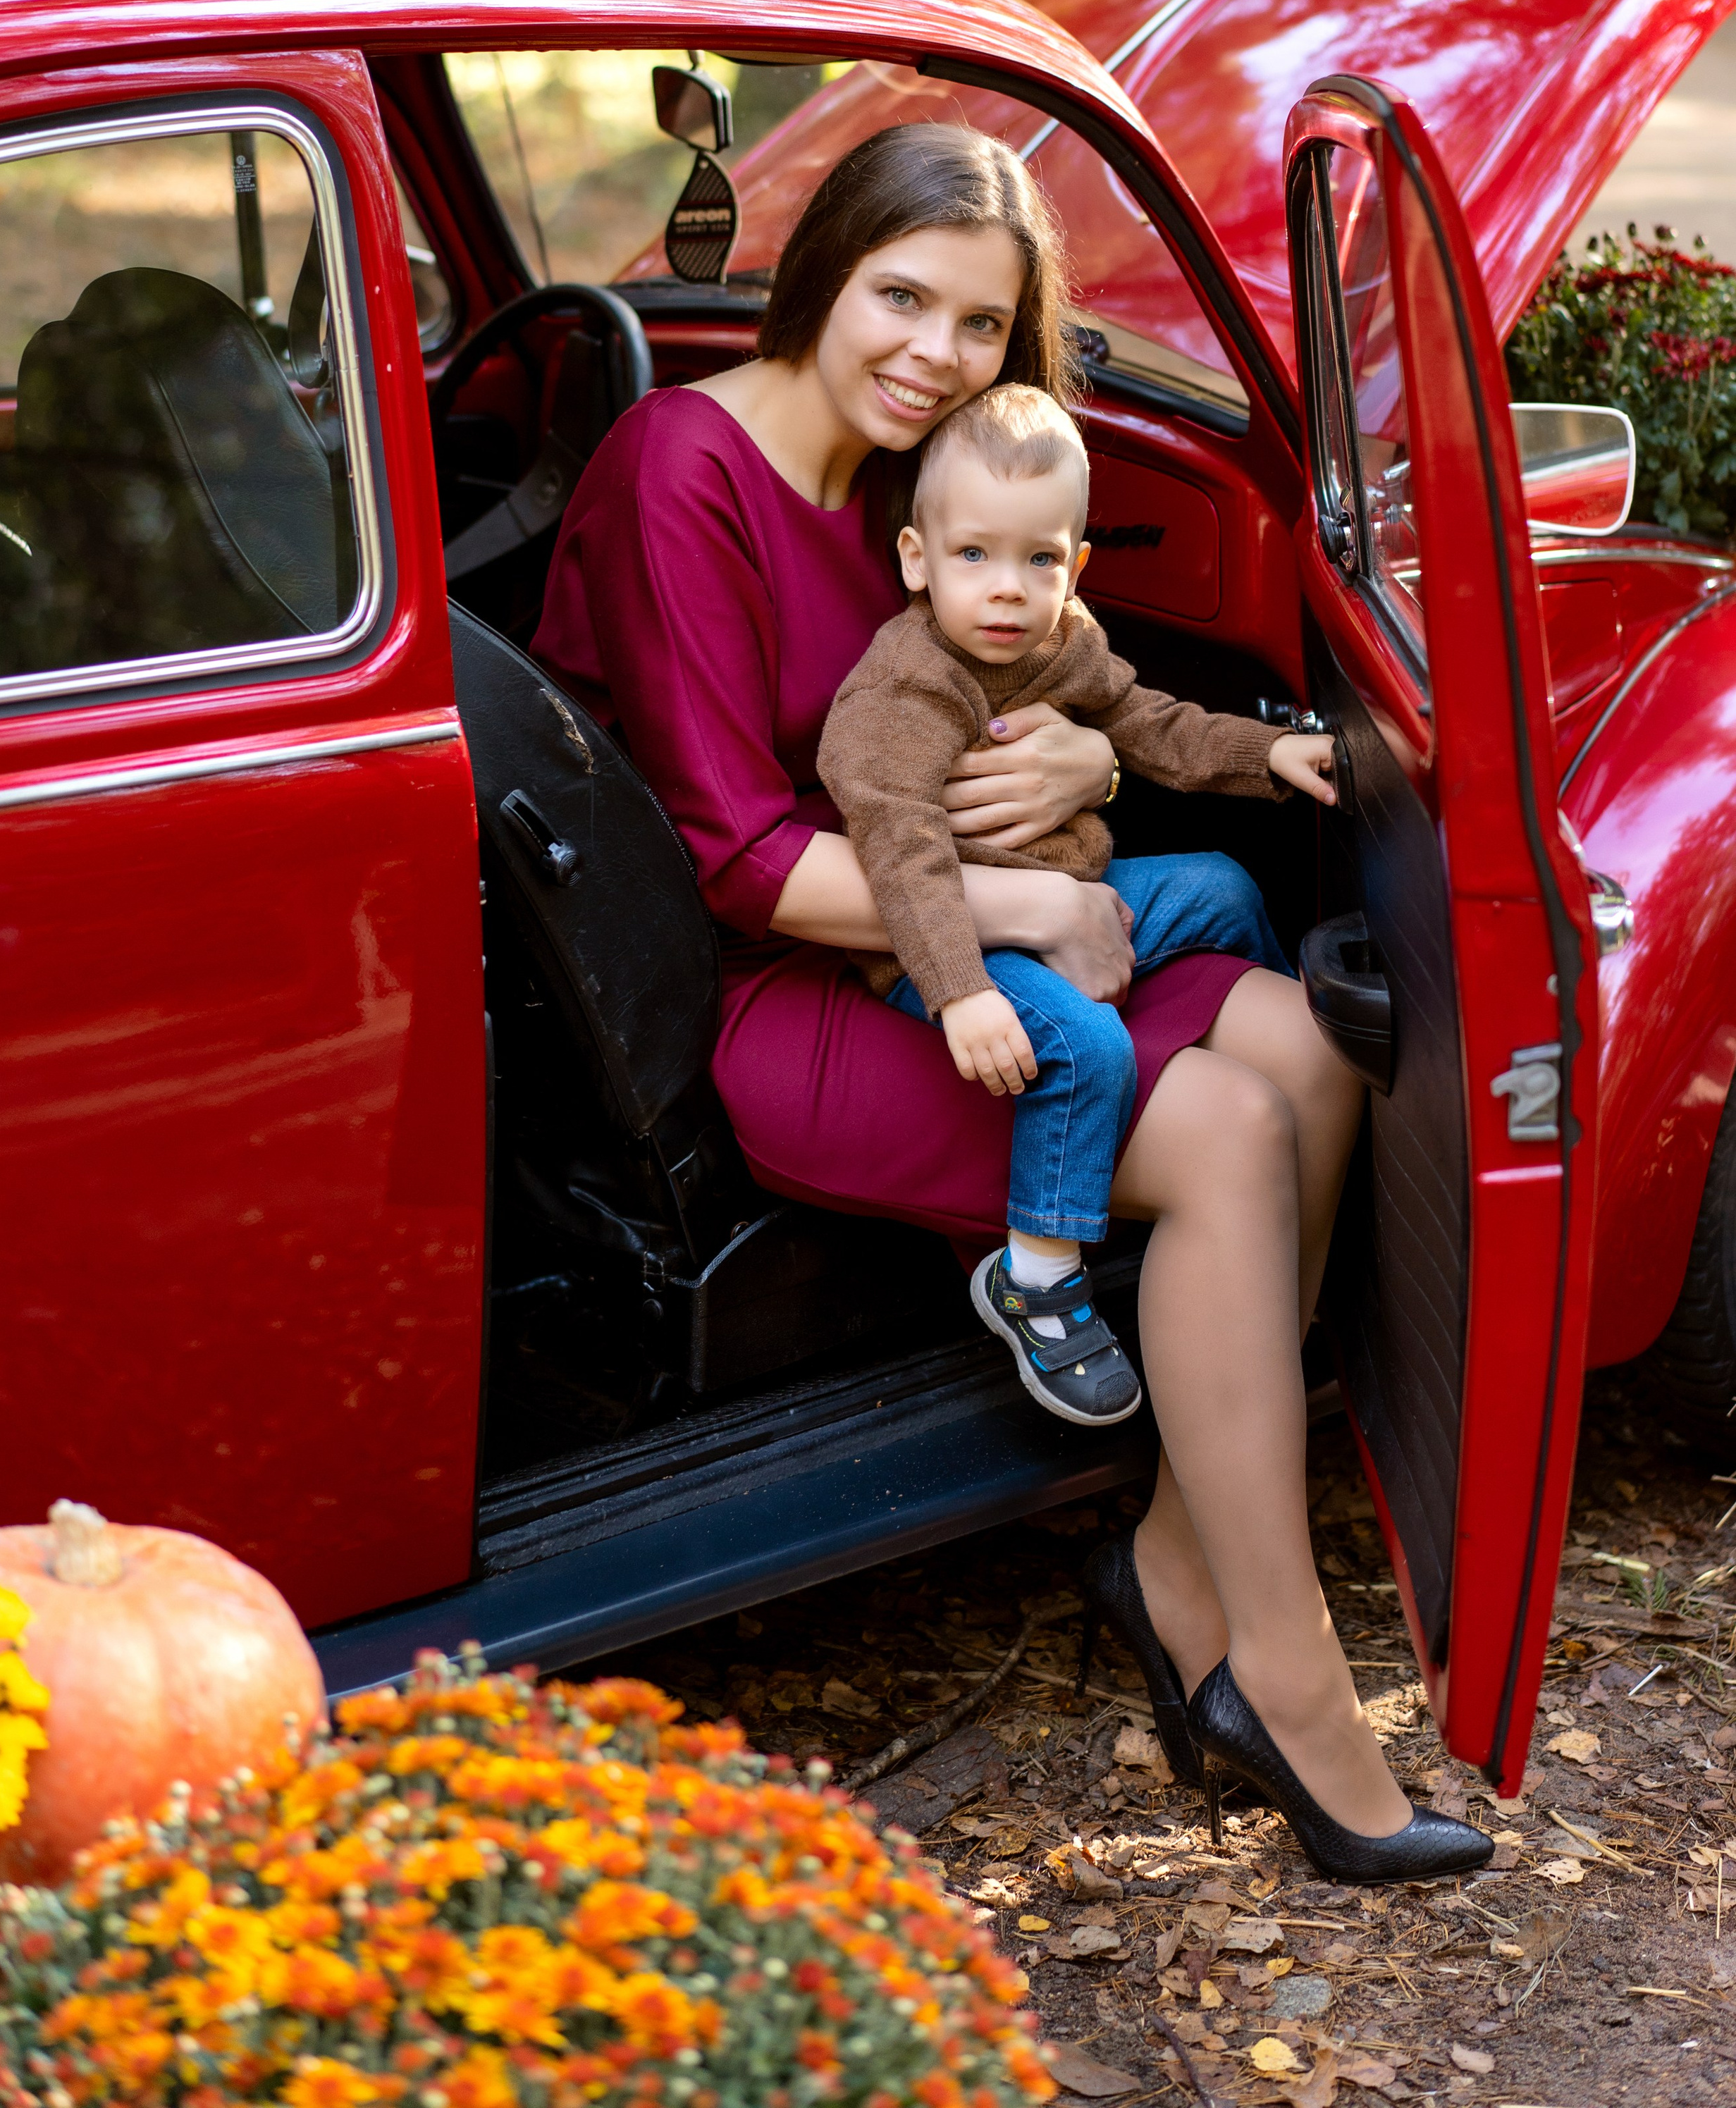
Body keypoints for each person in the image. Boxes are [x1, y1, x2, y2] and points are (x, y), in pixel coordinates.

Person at [533, 119, 1489, 1885]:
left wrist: (1050, 737)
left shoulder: (914, 477)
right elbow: (735, 859)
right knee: (1217, 1119)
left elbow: (1002, 669)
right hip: (788, 1000)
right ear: (820, 270)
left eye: (978, 326)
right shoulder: (686, 464)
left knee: (1302, 1038)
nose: (932, 354)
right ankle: (1286, 1682)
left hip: (947, 948)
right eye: (900, 297)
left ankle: (1180, 1564)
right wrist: (1046, 895)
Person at [818, 381, 1315, 1431]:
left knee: (1221, 885)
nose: (1007, 590)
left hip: (1072, 888)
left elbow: (1149, 722)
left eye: (1038, 560)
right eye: (974, 557)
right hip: (945, 937)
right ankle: (1038, 1274)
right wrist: (959, 994)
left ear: (1076, 567)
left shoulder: (1062, 638)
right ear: (917, 559)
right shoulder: (904, 688)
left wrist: (1267, 750)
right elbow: (898, 852)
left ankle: (1263, 1035)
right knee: (1087, 1050)